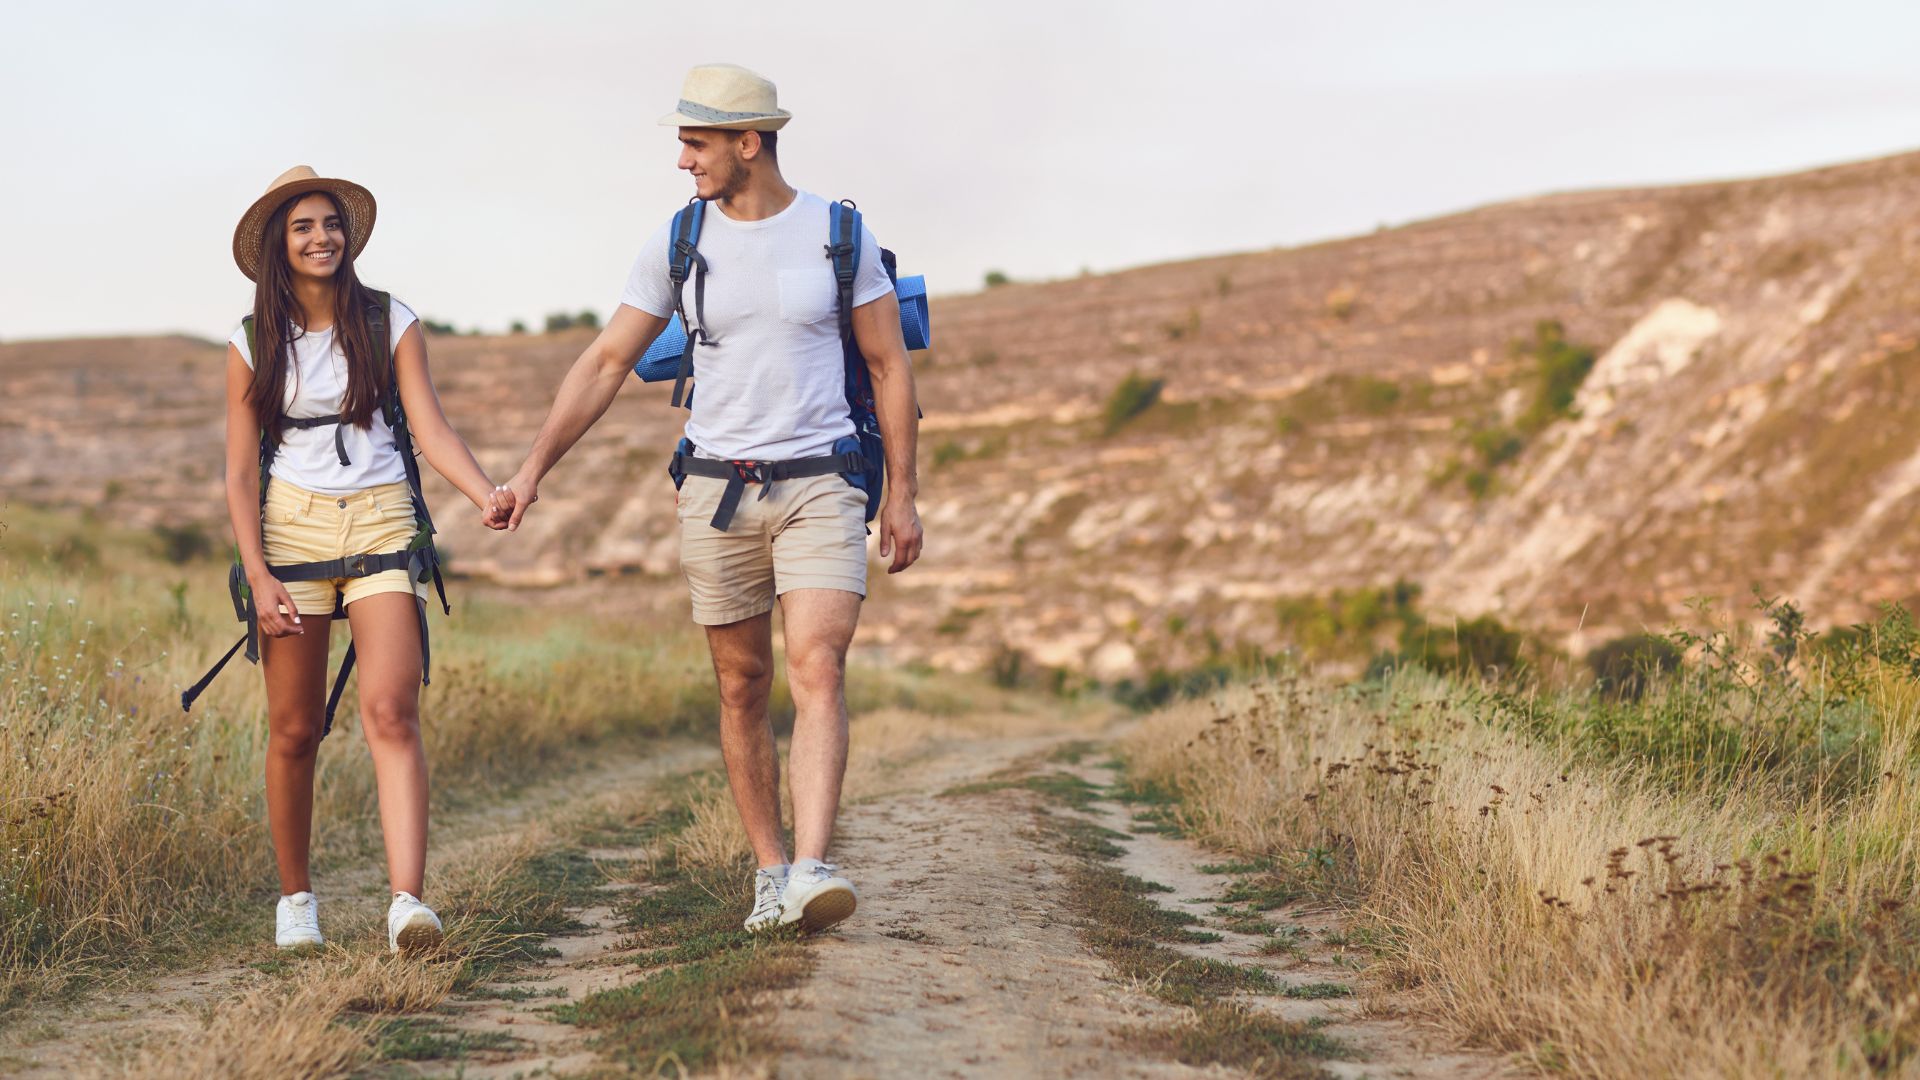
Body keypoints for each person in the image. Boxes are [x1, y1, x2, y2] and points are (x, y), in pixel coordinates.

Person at [495, 64, 924, 933]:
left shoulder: (839, 232)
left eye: (694, 143)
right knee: (741, 684)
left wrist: (903, 496)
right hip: (716, 492)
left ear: (747, 142)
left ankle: (811, 866)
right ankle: (769, 870)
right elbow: (607, 361)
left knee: (817, 666)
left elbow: (888, 365)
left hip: (823, 483)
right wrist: (534, 469)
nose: (683, 160)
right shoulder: (678, 241)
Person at [223, 166, 513, 951]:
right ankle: (296, 902)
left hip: (384, 520)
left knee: (391, 710)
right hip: (291, 536)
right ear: (279, 247)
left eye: (330, 224)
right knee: (294, 728)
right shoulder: (252, 342)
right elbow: (241, 469)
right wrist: (257, 571)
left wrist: (486, 491)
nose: (322, 238)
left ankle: (407, 903)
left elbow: (432, 428)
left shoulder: (390, 319)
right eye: (303, 228)